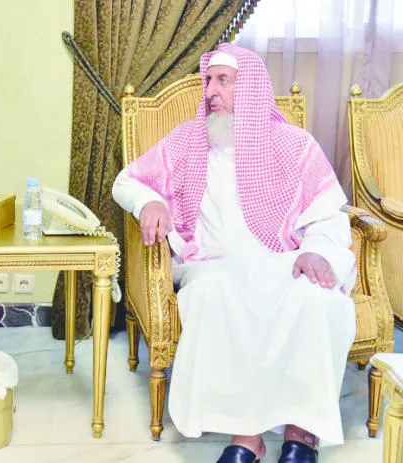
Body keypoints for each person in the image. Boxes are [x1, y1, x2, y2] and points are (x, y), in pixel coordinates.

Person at [112, 43, 356, 463]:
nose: (210, 91)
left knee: (318, 299)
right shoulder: (188, 141)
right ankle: (247, 437)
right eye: (208, 81)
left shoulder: (294, 145)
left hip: (283, 260)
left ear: (251, 90)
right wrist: (149, 201)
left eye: (223, 81)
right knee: (215, 295)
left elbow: (328, 213)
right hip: (213, 264)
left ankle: (302, 433)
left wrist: (317, 251)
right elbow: (125, 181)